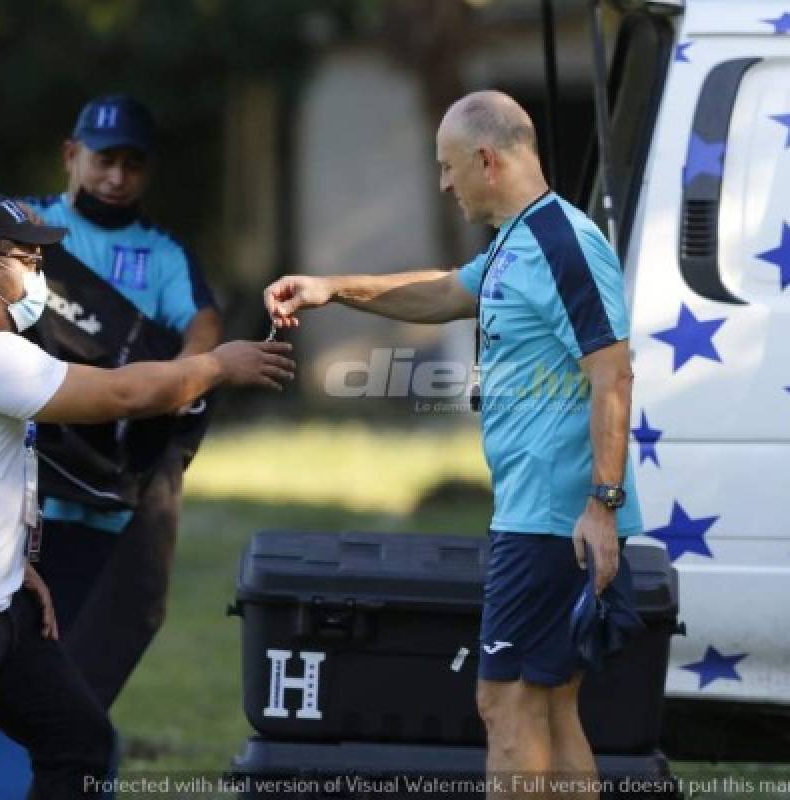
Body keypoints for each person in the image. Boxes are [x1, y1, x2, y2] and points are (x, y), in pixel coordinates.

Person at [263, 90, 642, 796]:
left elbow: (613, 373)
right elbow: (440, 292)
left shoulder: (563, 242)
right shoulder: (516, 241)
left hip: (552, 517)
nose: (442, 183)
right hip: (541, 512)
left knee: (504, 702)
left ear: (486, 160)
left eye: (447, 167)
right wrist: (330, 289)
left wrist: (602, 503)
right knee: (551, 704)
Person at [0, 192, 293, 798]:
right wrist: (218, 365)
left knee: (79, 745)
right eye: (31, 261)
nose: (42, 276)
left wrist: (11, 559)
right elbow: (121, 396)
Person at [0, 94, 223, 794]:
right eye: (105, 160)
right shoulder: (25, 229)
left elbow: (201, 330)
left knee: (73, 670)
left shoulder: (163, 255)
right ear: (72, 156)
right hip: (19, 489)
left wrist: (187, 375)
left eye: (134, 164)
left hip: (106, 502)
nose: (117, 177)